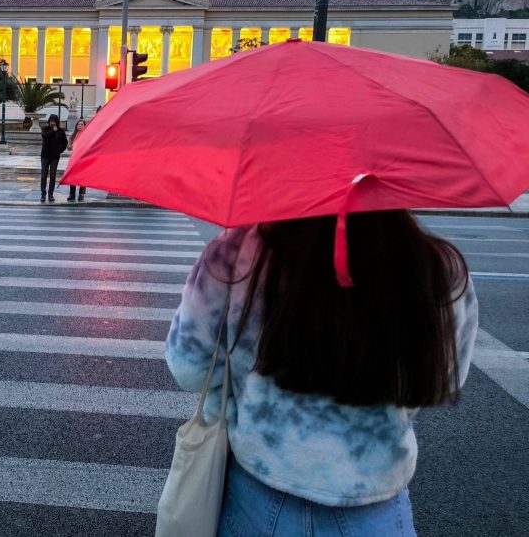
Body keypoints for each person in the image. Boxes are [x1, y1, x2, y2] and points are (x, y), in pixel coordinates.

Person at [166, 212, 478, 536]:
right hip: (373, 500)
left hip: (257, 491)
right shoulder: (438, 267)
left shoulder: (236, 251)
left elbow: (188, 367)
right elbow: (445, 381)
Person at [40, 113, 67, 203]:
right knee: (43, 175)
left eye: (54, 121)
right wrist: (53, 131)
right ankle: (43, 194)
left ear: (57, 122)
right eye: (51, 121)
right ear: (49, 121)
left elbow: (65, 143)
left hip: (55, 157)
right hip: (45, 156)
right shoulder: (45, 129)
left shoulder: (61, 131)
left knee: (52, 176)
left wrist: (59, 150)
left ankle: (50, 194)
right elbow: (45, 137)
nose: (52, 123)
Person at [66, 118, 88, 202]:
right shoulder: (73, 135)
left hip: (83, 159)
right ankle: (72, 194)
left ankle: (81, 194)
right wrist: (71, 146)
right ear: (76, 126)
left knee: (82, 177)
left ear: (84, 126)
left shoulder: (87, 135)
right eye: (78, 124)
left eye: (82, 124)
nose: (80, 126)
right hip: (74, 159)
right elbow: (68, 146)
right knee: (72, 176)